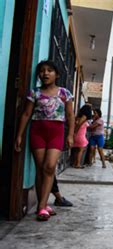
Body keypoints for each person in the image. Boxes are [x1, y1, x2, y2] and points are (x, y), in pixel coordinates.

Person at [15, 60, 74, 221]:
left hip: (56, 132)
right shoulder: (34, 93)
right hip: (37, 132)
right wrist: (19, 135)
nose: (45, 73)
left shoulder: (65, 93)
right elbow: (26, 114)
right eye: (42, 71)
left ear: (57, 75)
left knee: (49, 167)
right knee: (41, 168)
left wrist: (70, 135)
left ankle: (41, 206)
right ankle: (44, 205)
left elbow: (70, 115)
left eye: (49, 70)